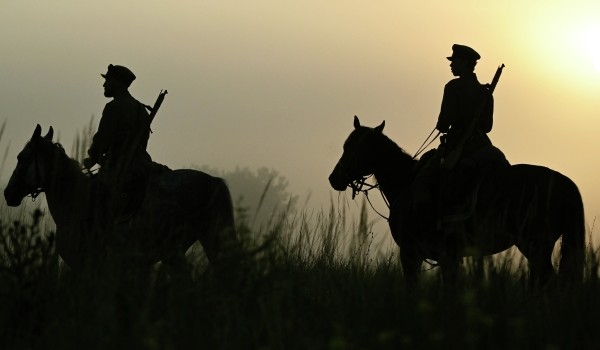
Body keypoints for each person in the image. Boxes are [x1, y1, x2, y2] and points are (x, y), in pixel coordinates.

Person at [411, 44, 507, 232]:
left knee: (423, 176)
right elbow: (487, 127)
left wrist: (445, 124)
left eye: (454, 61)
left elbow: (444, 123)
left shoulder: (453, 87)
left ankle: (430, 225)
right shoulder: (485, 93)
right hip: (481, 145)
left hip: (459, 144)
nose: (451, 65)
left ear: (464, 63)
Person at [83, 64, 153, 221]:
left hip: (118, 168)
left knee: (88, 199)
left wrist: (92, 159)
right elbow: (144, 142)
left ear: (117, 82)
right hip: (141, 165)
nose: (104, 84)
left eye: (108, 80)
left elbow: (102, 139)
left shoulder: (113, 107)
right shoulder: (140, 109)